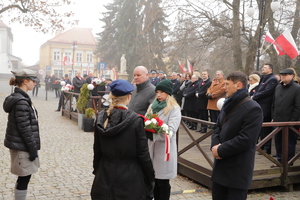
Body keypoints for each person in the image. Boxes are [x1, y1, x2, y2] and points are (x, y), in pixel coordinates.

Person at [91, 79, 155, 199]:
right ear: (128, 97)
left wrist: (98, 172)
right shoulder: (135, 120)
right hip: (130, 177)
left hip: (105, 174)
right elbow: (143, 154)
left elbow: (97, 150)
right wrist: (150, 177)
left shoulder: (101, 117)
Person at [211, 71, 263, 200]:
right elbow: (217, 127)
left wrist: (221, 150)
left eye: (227, 84)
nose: (224, 87)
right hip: (220, 167)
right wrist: (215, 146)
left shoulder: (253, 108)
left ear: (238, 85)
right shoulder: (227, 104)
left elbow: (246, 139)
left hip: (237, 169)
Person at [3, 69, 41, 200]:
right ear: (25, 81)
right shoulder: (21, 101)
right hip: (22, 146)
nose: (35, 83)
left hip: (21, 144)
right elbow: (25, 128)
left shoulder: (21, 98)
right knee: (24, 177)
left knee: (24, 177)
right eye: (33, 81)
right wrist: (32, 149)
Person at [145, 79, 181, 200]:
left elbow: (171, 130)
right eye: (157, 92)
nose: (159, 95)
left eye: (162, 92)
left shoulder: (174, 108)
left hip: (164, 150)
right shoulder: (152, 106)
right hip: (151, 148)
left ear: (168, 93)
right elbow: (145, 121)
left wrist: (154, 134)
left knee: (163, 182)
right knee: (153, 181)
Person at [272, 68, 300, 167]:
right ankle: (280, 161)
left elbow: (298, 107)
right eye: (282, 74)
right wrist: (273, 117)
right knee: (278, 142)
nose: (283, 76)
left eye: (286, 75)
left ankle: (288, 162)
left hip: (290, 122)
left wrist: (292, 121)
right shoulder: (278, 87)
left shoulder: (297, 88)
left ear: (292, 76)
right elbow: (274, 104)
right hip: (278, 120)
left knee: (289, 143)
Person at [252, 63, 278, 155]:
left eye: (265, 67)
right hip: (259, 105)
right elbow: (258, 89)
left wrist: (255, 97)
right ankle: (261, 146)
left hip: (266, 106)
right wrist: (254, 95)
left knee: (266, 128)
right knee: (261, 127)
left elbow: (267, 92)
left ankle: (267, 148)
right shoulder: (263, 77)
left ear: (270, 70)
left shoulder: (273, 80)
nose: (263, 68)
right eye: (262, 67)